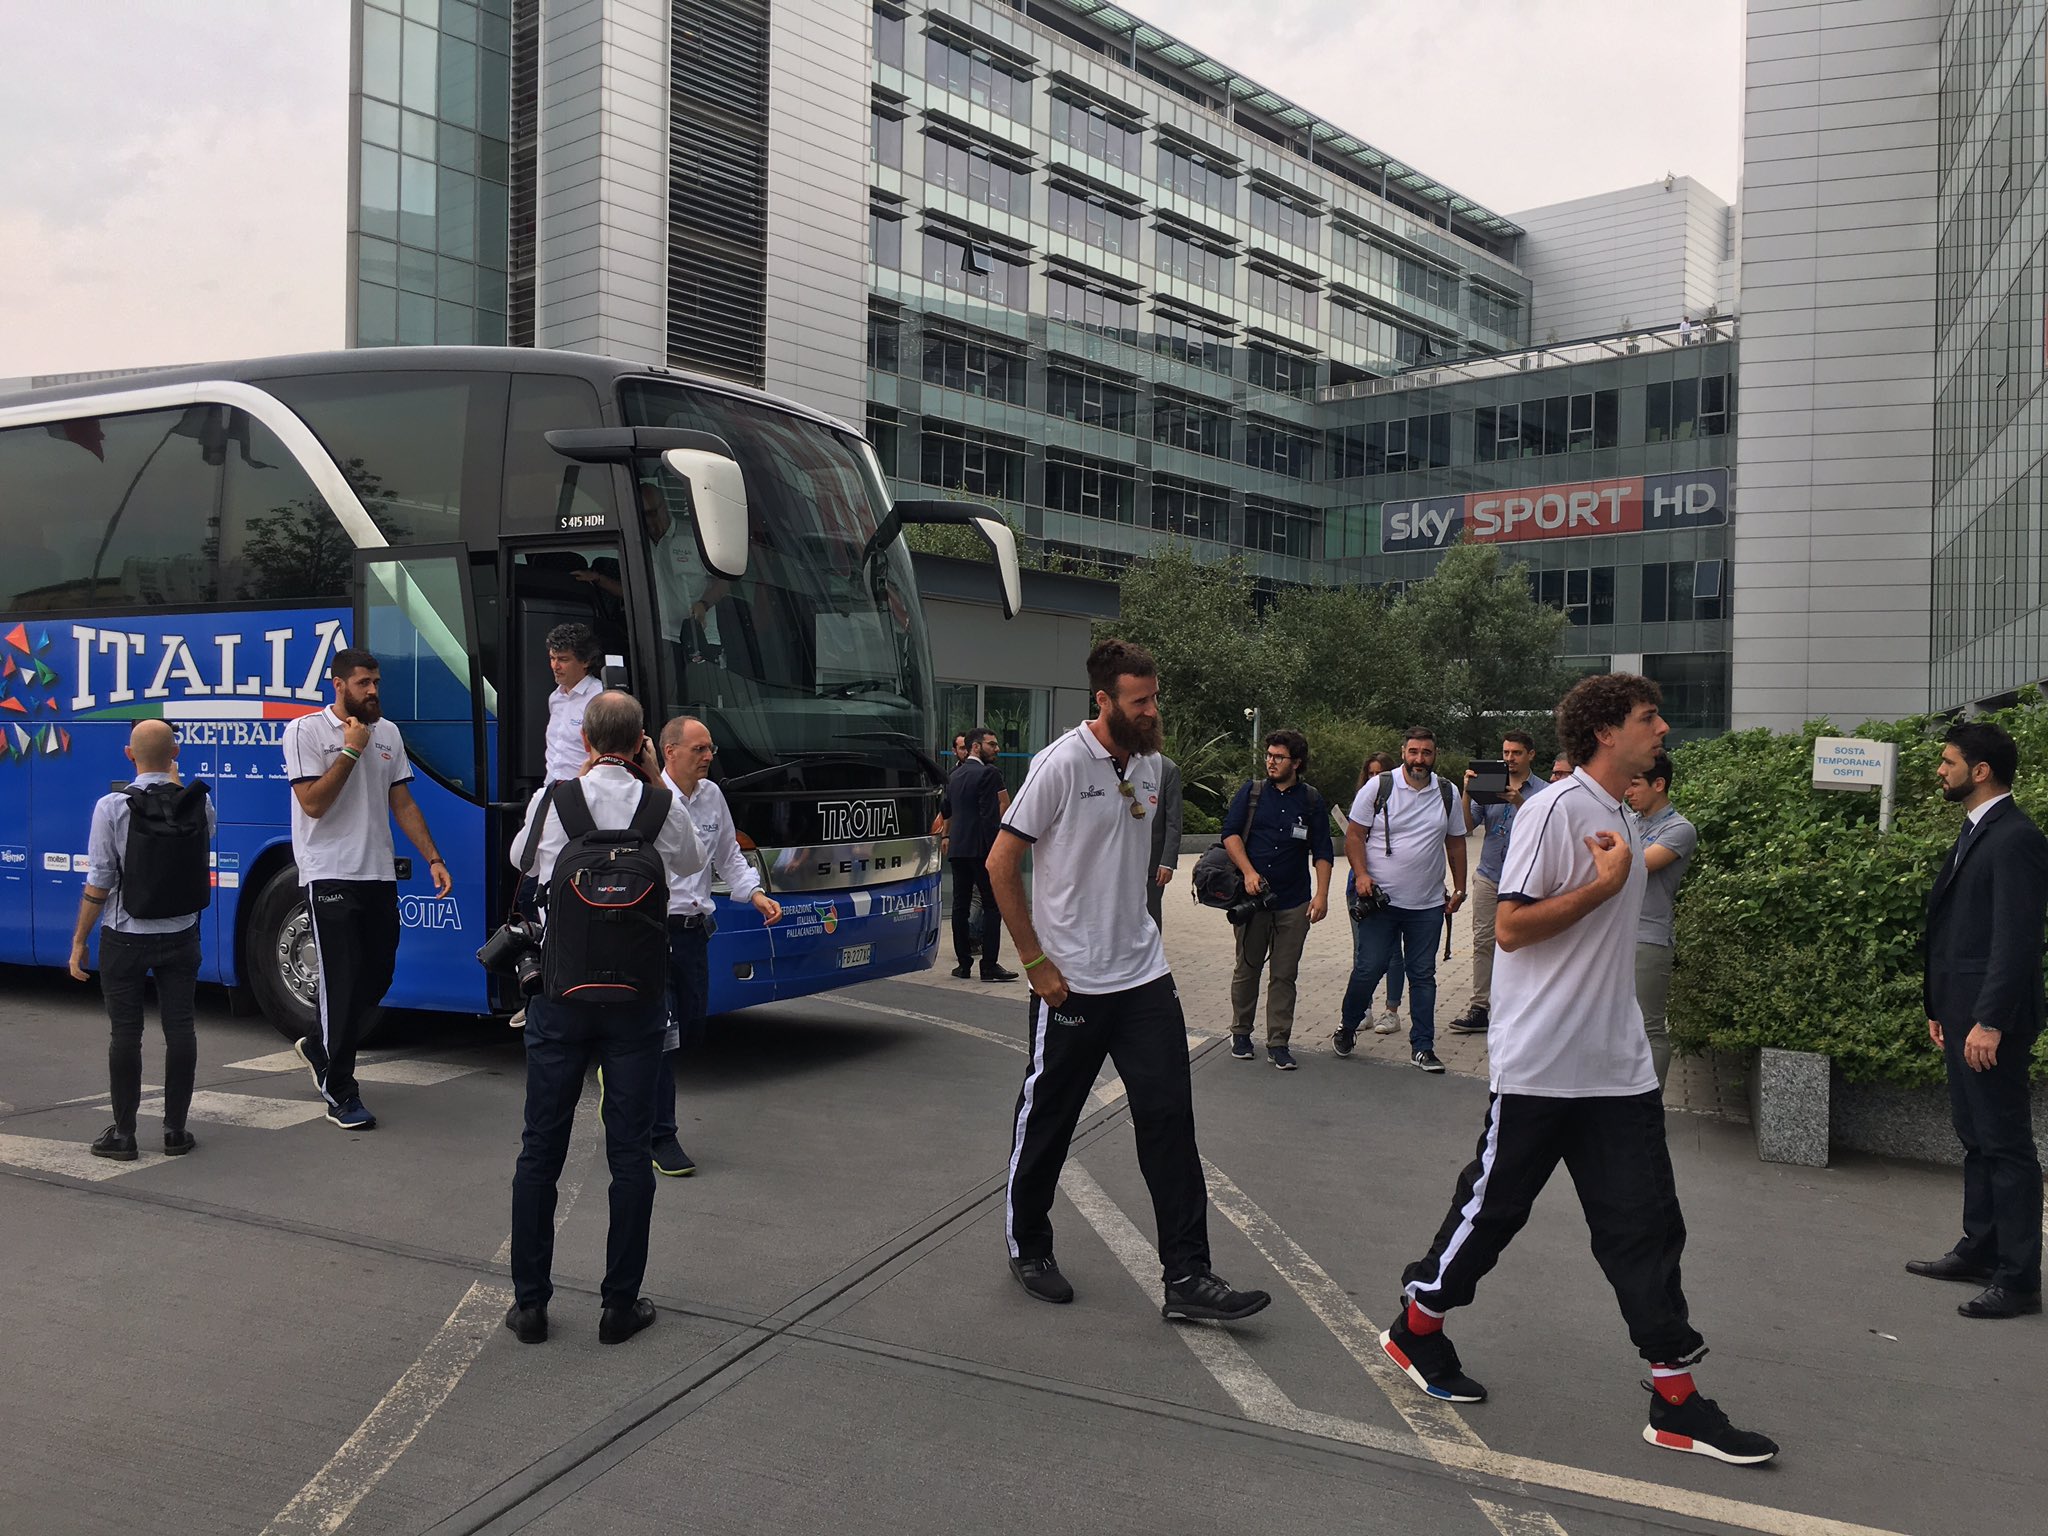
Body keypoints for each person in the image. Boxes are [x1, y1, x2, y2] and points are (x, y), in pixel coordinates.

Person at [1383, 674, 1777, 1466]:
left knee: (1647, 1227)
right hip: (1543, 1066)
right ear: (1605, 732)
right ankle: (1416, 1326)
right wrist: (1602, 887)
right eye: (1648, 717)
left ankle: (1676, 1400)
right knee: (1492, 1214)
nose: (1662, 727)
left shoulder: (1624, 813)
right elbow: (1514, 928)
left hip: (1617, 1067)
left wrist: (1614, 879)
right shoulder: (1555, 810)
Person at [988, 639, 1270, 1324]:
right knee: (1049, 1120)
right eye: (1140, 702)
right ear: (1104, 701)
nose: (1153, 711)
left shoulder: (1148, 767)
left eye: (1155, 698)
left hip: (1144, 978)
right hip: (1071, 986)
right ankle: (1029, 1244)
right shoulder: (1060, 765)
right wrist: (1034, 964)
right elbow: (1001, 865)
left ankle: (1188, 1276)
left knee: (1170, 1121)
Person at [504, 691, 703, 1346]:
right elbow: (693, 863)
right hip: (637, 1003)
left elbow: (519, 863)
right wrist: (652, 780)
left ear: (585, 739)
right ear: (643, 740)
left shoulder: (554, 802)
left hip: (562, 998)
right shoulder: (662, 804)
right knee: (629, 1153)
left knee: (541, 1150)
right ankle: (620, 1305)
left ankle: (531, 1305)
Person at [1909, 720, 2046, 1320]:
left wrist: (1989, 1019)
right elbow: (1959, 932)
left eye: (1948, 761)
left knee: (2005, 1142)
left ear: (1980, 770)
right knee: (1975, 1137)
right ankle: (1981, 1248)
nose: (1940, 770)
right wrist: (1942, 1008)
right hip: (1960, 1013)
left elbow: (2016, 940)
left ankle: (2018, 1279)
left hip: (1991, 1019)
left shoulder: (2015, 837)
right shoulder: (1977, 832)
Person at [282, 648, 452, 1131]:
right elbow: (313, 803)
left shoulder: (389, 733)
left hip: (376, 871)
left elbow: (402, 802)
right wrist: (351, 751)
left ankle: (319, 1046)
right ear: (338, 686)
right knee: (340, 980)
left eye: (376, 682)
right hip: (328, 870)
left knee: (376, 977)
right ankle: (341, 1091)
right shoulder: (304, 731)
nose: (373, 690)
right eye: (363, 683)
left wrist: (433, 858)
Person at [69, 720, 215, 1161]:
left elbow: (100, 882)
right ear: (176, 752)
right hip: (181, 933)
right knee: (181, 1029)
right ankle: (175, 1131)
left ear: (128, 754)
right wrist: (176, 784)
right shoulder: (200, 803)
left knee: (126, 1035)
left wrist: (79, 939)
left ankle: (125, 1135)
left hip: (125, 936)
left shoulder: (112, 807)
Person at [650, 714, 783, 1176]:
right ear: (670, 752)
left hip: (693, 935)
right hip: (652, 934)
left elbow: (729, 856)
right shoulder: (651, 797)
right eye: (699, 749)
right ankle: (660, 1137)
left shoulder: (713, 797)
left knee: (689, 1030)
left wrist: (756, 893)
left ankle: (624, 1064)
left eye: (710, 750)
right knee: (663, 1038)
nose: (709, 757)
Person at [1335, 727, 1467, 1072]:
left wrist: (1460, 887)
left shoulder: (1446, 791)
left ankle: (1423, 1047)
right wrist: (1362, 875)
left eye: (1426, 753)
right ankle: (1348, 1025)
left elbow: (1456, 842)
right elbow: (1354, 835)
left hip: (1427, 906)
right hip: (1382, 902)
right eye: (1413, 752)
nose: (1419, 759)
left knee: (1423, 974)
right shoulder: (1379, 787)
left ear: (1434, 754)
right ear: (1403, 752)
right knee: (1370, 968)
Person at [1221, 730, 1333, 1069]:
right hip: (1253, 900)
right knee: (1248, 968)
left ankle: (1278, 1042)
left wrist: (1322, 895)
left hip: (1293, 901)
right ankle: (1241, 1033)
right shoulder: (1252, 792)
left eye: (1278, 757)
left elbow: (1323, 851)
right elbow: (1229, 834)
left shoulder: (1311, 800)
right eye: (1269, 755)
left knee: (1284, 974)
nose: (1271, 761)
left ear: (1296, 763)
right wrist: (1249, 872)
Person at [1448, 731, 1540, 1038]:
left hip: (1524, 877)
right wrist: (1466, 792)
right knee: (1484, 941)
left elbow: (1545, 830)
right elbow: (1465, 827)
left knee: (1519, 944)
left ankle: (1517, 1007)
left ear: (1530, 755)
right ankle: (1479, 1007)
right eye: (1506, 753)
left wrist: (1519, 802)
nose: (1510, 759)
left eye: (1516, 753)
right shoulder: (1487, 783)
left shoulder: (1544, 791)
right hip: (1489, 874)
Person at [1624, 751, 1697, 1088]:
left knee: (1648, 1026)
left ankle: (1648, 1107)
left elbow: (1636, 866)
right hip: (1617, 933)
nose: (1627, 790)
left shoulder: (1680, 829)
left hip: (1649, 938)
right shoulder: (1629, 820)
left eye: (1635, 783)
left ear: (1659, 784)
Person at [942, 727, 1016, 982]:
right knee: (992, 906)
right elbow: (989, 815)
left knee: (960, 906)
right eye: (991, 744)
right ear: (976, 747)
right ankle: (989, 965)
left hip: (958, 849)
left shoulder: (954, 775)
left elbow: (946, 810)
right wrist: (997, 851)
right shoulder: (989, 773)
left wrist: (947, 838)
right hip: (981, 848)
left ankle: (963, 965)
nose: (996, 749)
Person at [1347, 752, 1407, 1032]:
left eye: (1380, 773)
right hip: (1359, 883)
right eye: (1369, 774)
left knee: (1393, 952)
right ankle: (1363, 1009)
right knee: (1363, 951)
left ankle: (1391, 1010)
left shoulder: (1402, 805)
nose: (1374, 779)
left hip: (1391, 885)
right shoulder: (1361, 802)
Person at [543, 622, 605, 784]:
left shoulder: (600, 698)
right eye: (552, 658)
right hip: (551, 788)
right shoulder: (555, 698)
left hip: (582, 791)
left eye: (563, 659)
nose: (555, 666)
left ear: (586, 662)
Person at [1146, 753, 1184, 930]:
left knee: (1150, 917)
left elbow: (1173, 820)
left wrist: (1167, 862)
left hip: (1152, 866)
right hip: (1121, 862)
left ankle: (1151, 957)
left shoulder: (1168, 769)